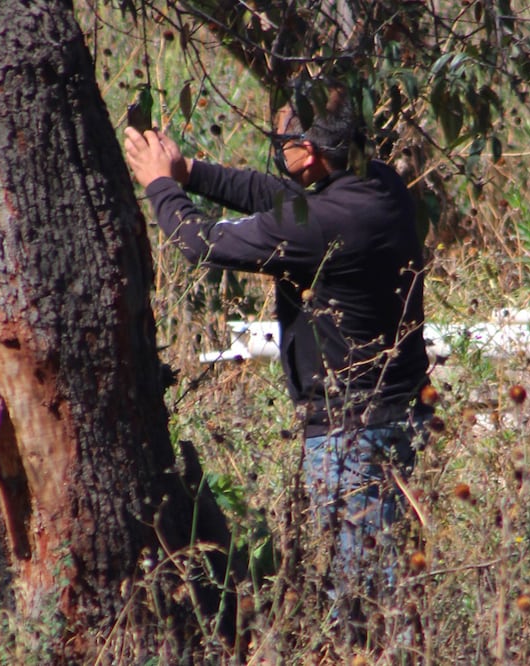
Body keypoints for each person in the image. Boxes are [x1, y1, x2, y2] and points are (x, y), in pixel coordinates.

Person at [123, 79, 432, 638]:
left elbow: (201, 242)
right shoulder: (378, 182)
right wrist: (190, 172)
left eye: (281, 141)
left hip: (352, 435)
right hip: (397, 416)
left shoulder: (323, 225)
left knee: (365, 605)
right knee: (388, 588)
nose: (276, 151)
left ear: (308, 153)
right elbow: (278, 196)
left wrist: (160, 186)